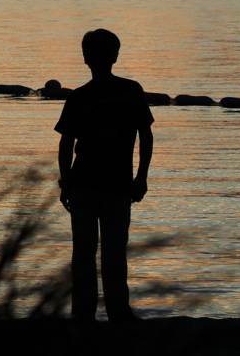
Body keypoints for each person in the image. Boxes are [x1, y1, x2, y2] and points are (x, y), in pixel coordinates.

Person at [56, 28, 154, 323]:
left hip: (87, 184)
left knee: (84, 252)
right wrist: (141, 176)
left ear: (85, 58)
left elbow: (65, 143)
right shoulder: (131, 90)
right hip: (116, 184)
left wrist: (66, 181)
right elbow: (145, 136)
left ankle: (84, 313)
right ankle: (117, 311)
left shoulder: (80, 97)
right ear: (115, 56)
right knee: (114, 251)